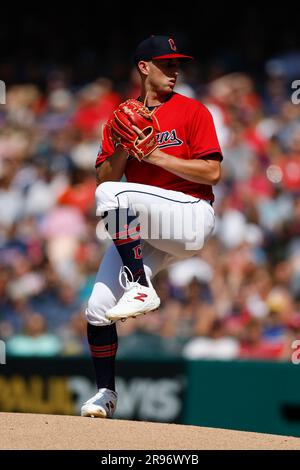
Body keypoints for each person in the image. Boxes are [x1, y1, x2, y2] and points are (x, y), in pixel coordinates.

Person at [81, 35, 223, 418]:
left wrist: (157, 156)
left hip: (191, 216)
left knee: (116, 197)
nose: (176, 70)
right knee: (97, 309)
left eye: (178, 64)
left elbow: (213, 171)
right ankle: (106, 394)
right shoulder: (120, 117)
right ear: (145, 67)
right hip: (150, 227)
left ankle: (141, 287)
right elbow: (103, 177)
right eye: (168, 64)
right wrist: (125, 146)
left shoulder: (193, 111)